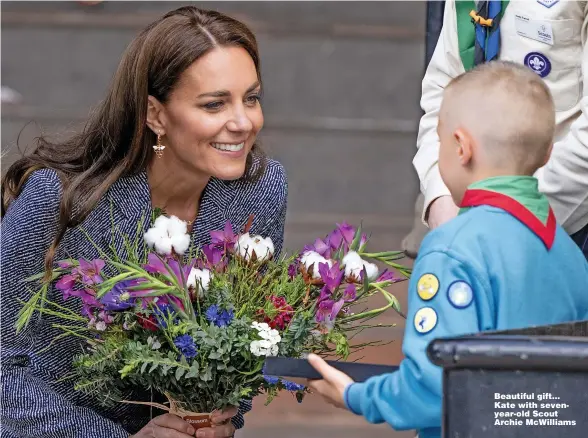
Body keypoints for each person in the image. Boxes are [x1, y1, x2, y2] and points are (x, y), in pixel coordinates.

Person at [1, 6, 287, 438]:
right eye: (215, 104)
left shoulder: (261, 189)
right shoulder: (59, 200)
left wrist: (217, 417)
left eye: (251, 97)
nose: (243, 122)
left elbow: (247, 340)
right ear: (155, 115)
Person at [305, 61, 588, 438]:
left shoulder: (451, 248)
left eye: (439, 139)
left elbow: (435, 387)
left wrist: (356, 396)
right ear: (549, 153)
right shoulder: (570, 254)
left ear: (461, 146)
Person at [403, 0, 588, 259]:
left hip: (561, 222)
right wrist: (440, 198)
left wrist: (507, 224)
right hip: (460, 218)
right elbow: (443, 87)